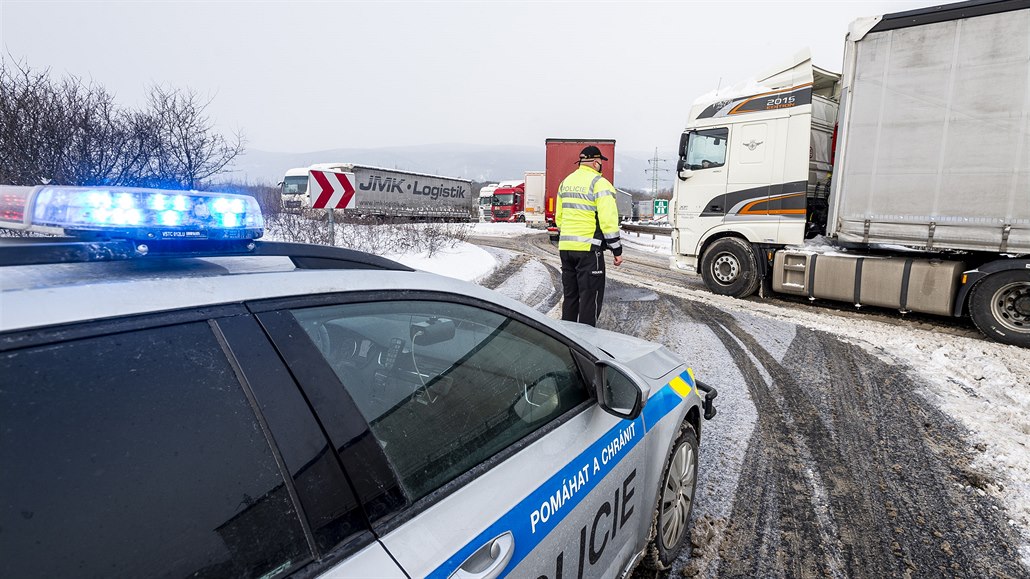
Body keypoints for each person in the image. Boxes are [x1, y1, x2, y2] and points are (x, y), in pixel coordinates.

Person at [555, 145, 623, 327]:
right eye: (600, 161)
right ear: (595, 162)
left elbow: (559, 219)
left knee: (570, 297)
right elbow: (608, 220)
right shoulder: (600, 183)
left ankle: (566, 338)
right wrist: (616, 249)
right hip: (589, 251)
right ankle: (587, 345)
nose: (601, 165)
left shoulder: (565, 183)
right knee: (589, 299)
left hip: (566, 249)